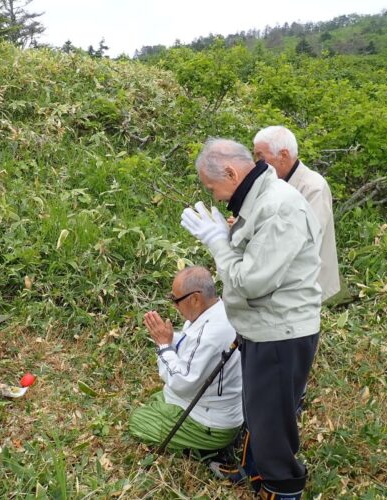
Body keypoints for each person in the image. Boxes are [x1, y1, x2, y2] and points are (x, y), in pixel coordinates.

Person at [180, 138, 322, 500]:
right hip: (262, 327)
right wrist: (228, 237)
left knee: (273, 420)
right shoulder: (258, 199)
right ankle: (252, 469)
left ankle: (281, 487)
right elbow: (255, 256)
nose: (216, 197)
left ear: (230, 171)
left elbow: (252, 282)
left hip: (280, 331)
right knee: (258, 409)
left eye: (213, 189)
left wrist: (218, 245)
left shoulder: (278, 207)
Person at [129, 266, 243, 459]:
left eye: (175, 300)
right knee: (158, 399)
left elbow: (182, 383)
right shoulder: (219, 310)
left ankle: (206, 450)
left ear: (195, 299)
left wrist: (164, 345)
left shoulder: (209, 335)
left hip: (211, 423)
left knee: (137, 421)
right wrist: (170, 338)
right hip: (222, 408)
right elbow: (192, 346)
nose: (174, 305)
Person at [252, 125, 341, 303]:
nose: (256, 162)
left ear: (283, 156)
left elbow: (307, 236)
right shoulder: (270, 182)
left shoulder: (313, 187)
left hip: (307, 283)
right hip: (280, 279)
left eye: (261, 156)